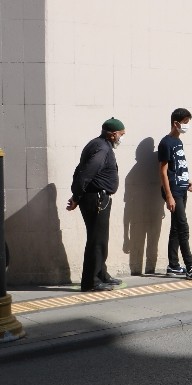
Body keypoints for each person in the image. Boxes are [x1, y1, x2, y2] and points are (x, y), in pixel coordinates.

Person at [67, 118, 127, 292]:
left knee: (99, 239)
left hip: (95, 197)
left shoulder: (98, 144)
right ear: (112, 134)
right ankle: (91, 282)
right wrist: (76, 196)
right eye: (121, 134)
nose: (122, 138)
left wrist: (77, 195)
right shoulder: (102, 148)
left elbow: (80, 169)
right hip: (97, 199)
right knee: (97, 241)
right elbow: (87, 172)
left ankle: (101, 274)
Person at [157, 108, 192, 281]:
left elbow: (178, 167)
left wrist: (187, 180)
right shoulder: (165, 143)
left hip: (181, 189)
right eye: (185, 123)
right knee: (183, 227)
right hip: (173, 192)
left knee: (176, 227)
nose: (186, 126)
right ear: (176, 123)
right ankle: (190, 267)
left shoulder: (178, 142)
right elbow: (163, 171)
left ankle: (173, 265)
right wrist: (169, 195)